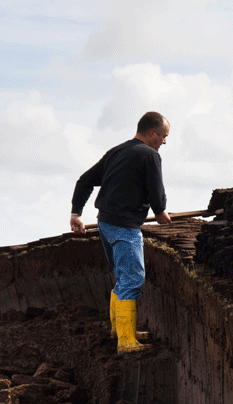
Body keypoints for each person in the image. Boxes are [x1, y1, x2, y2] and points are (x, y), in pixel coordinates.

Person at [69, 111, 172, 353]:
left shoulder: (117, 151)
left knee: (123, 277)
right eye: (164, 136)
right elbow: (156, 189)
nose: (164, 142)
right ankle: (126, 342)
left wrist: (76, 213)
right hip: (124, 227)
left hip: (105, 223)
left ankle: (121, 330)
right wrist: (160, 211)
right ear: (151, 133)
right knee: (133, 278)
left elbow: (84, 180)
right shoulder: (150, 156)